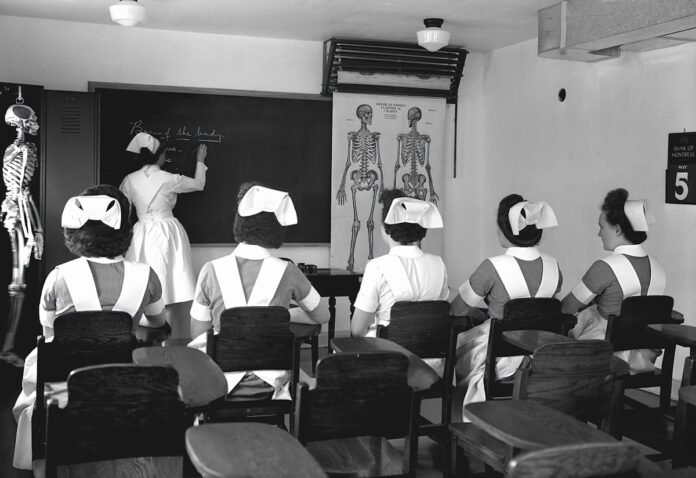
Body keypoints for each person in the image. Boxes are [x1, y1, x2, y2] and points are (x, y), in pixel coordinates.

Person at [12, 184, 165, 470]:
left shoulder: (58, 278)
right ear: (125, 229)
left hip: (62, 387)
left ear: (74, 230)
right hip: (124, 382)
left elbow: (50, 336)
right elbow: (157, 323)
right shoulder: (147, 276)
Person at [189, 182, 328, 398]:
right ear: (277, 227)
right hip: (272, 383)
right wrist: (283, 315)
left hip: (220, 381)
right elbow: (323, 315)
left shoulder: (211, 270)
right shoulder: (288, 271)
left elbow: (198, 332)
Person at [450, 194, 562, 411]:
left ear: (505, 230)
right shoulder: (554, 266)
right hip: (541, 355)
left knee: (454, 358)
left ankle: (463, 421)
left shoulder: (492, 267)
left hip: (498, 359)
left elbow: (458, 310)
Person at [562, 188, 666, 374]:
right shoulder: (658, 266)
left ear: (618, 229)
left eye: (602, 227)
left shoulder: (605, 267)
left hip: (606, 355)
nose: (599, 233)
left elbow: (566, 308)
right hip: (646, 357)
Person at [119, 132, 207, 338]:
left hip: (141, 232)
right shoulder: (169, 178)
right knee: (169, 285)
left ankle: (146, 338)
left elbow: (123, 210)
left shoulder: (129, 180)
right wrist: (200, 160)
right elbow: (198, 184)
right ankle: (167, 341)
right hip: (168, 231)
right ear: (159, 156)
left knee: (142, 282)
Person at [351, 189, 448, 338]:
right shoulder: (439, 265)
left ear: (385, 229)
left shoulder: (377, 267)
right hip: (432, 351)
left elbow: (357, 330)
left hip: (386, 351)